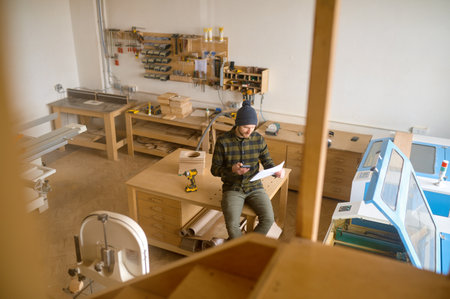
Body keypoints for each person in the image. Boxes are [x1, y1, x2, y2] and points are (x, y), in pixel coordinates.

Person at [211, 100, 285, 239]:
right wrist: (232, 170)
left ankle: (248, 245)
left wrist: (275, 171)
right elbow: (214, 169)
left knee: (268, 219)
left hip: (255, 186)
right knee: (232, 225)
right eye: (246, 127)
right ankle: (241, 251)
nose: (250, 131)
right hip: (233, 187)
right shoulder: (223, 141)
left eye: (253, 127)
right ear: (237, 124)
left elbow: (267, 160)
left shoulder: (258, 139)